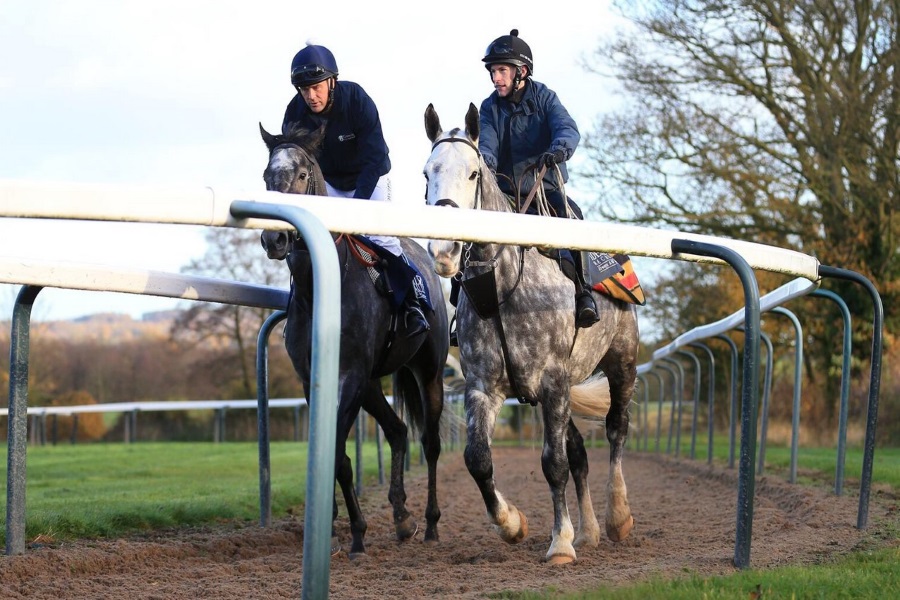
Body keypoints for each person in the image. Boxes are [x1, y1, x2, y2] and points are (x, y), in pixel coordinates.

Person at [282, 42, 430, 337]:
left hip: (370, 180)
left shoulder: (357, 100)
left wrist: (355, 209)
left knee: (380, 240)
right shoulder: (294, 112)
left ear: (332, 81)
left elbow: (374, 159)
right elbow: (293, 164)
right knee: (308, 243)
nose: (311, 96)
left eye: (317, 87)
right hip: (329, 186)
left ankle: (414, 305)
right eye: (304, 89)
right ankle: (299, 312)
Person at [478, 29, 600, 328]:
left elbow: (567, 129)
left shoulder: (545, 97)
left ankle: (583, 293)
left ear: (521, 71)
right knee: (471, 239)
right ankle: (463, 311)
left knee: (575, 217)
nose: (496, 78)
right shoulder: (488, 107)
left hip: (544, 189)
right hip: (505, 192)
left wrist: (558, 150)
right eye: (493, 71)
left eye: (502, 71)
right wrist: (486, 166)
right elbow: (487, 146)